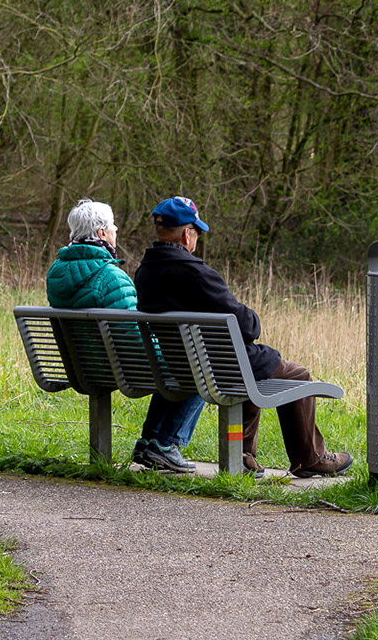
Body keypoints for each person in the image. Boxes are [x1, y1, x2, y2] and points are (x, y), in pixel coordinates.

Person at [132, 196, 353, 478]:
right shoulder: (195, 273)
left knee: (253, 370)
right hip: (219, 364)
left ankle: (245, 455)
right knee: (297, 374)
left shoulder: (144, 273)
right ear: (187, 234)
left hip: (185, 363)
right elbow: (248, 326)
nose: (196, 238)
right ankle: (310, 458)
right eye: (196, 232)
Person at [46, 199, 203, 473]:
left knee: (177, 364)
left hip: (82, 367)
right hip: (117, 369)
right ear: (101, 233)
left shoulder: (56, 274)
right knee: (196, 366)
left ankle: (149, 444)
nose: (116, 229)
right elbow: (133, 343)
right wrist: (168, 348)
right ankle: (165, 444)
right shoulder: (111, 278)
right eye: (113, 226)